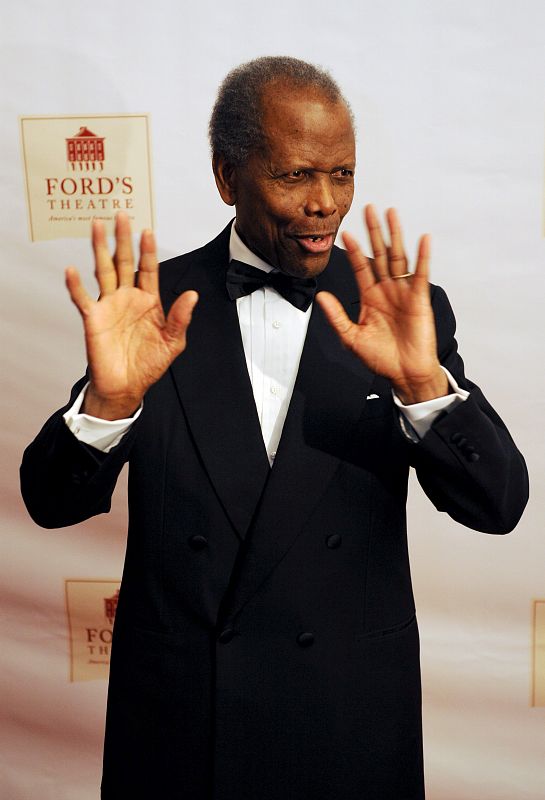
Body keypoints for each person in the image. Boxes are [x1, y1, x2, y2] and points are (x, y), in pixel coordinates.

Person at [20, 56, 528, 800]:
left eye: (343, 174)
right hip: (183, 726)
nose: (326, 203)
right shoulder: (153, 303)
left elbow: (498, 506)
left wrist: (421, 384)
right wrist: (108, 401)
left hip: (348, 721)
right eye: (295, 176)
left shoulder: (397, 306)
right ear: (228, 178)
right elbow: (49, 500)